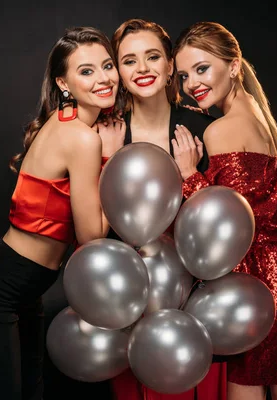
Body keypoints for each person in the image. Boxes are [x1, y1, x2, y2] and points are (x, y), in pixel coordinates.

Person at [171, 21, 277, 400]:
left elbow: (227, 226)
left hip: (265, 284)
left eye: (202, 69)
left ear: (233, 66)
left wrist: (189, 176)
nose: (191, 83)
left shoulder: (221, 130)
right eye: (184, 75)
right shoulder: (257, 115)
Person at [0, 26, 120, 400]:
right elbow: (92, 237)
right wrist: (111, 161)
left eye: (107, 65)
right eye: (86, 71)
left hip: (26, 290)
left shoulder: (72, 124)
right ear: (64, 83)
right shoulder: (82, 137)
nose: (103, 78)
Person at [96, 18, 226, 400]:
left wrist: (191, 177)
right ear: (118, 71)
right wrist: (107, 159)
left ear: (171, 65)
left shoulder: (203, 129)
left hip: (196, 301)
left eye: (152, 57)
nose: (142, 69)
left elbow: (222, 226)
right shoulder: (107, 134)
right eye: (129, 60)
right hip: (131, 303)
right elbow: (96, 233)